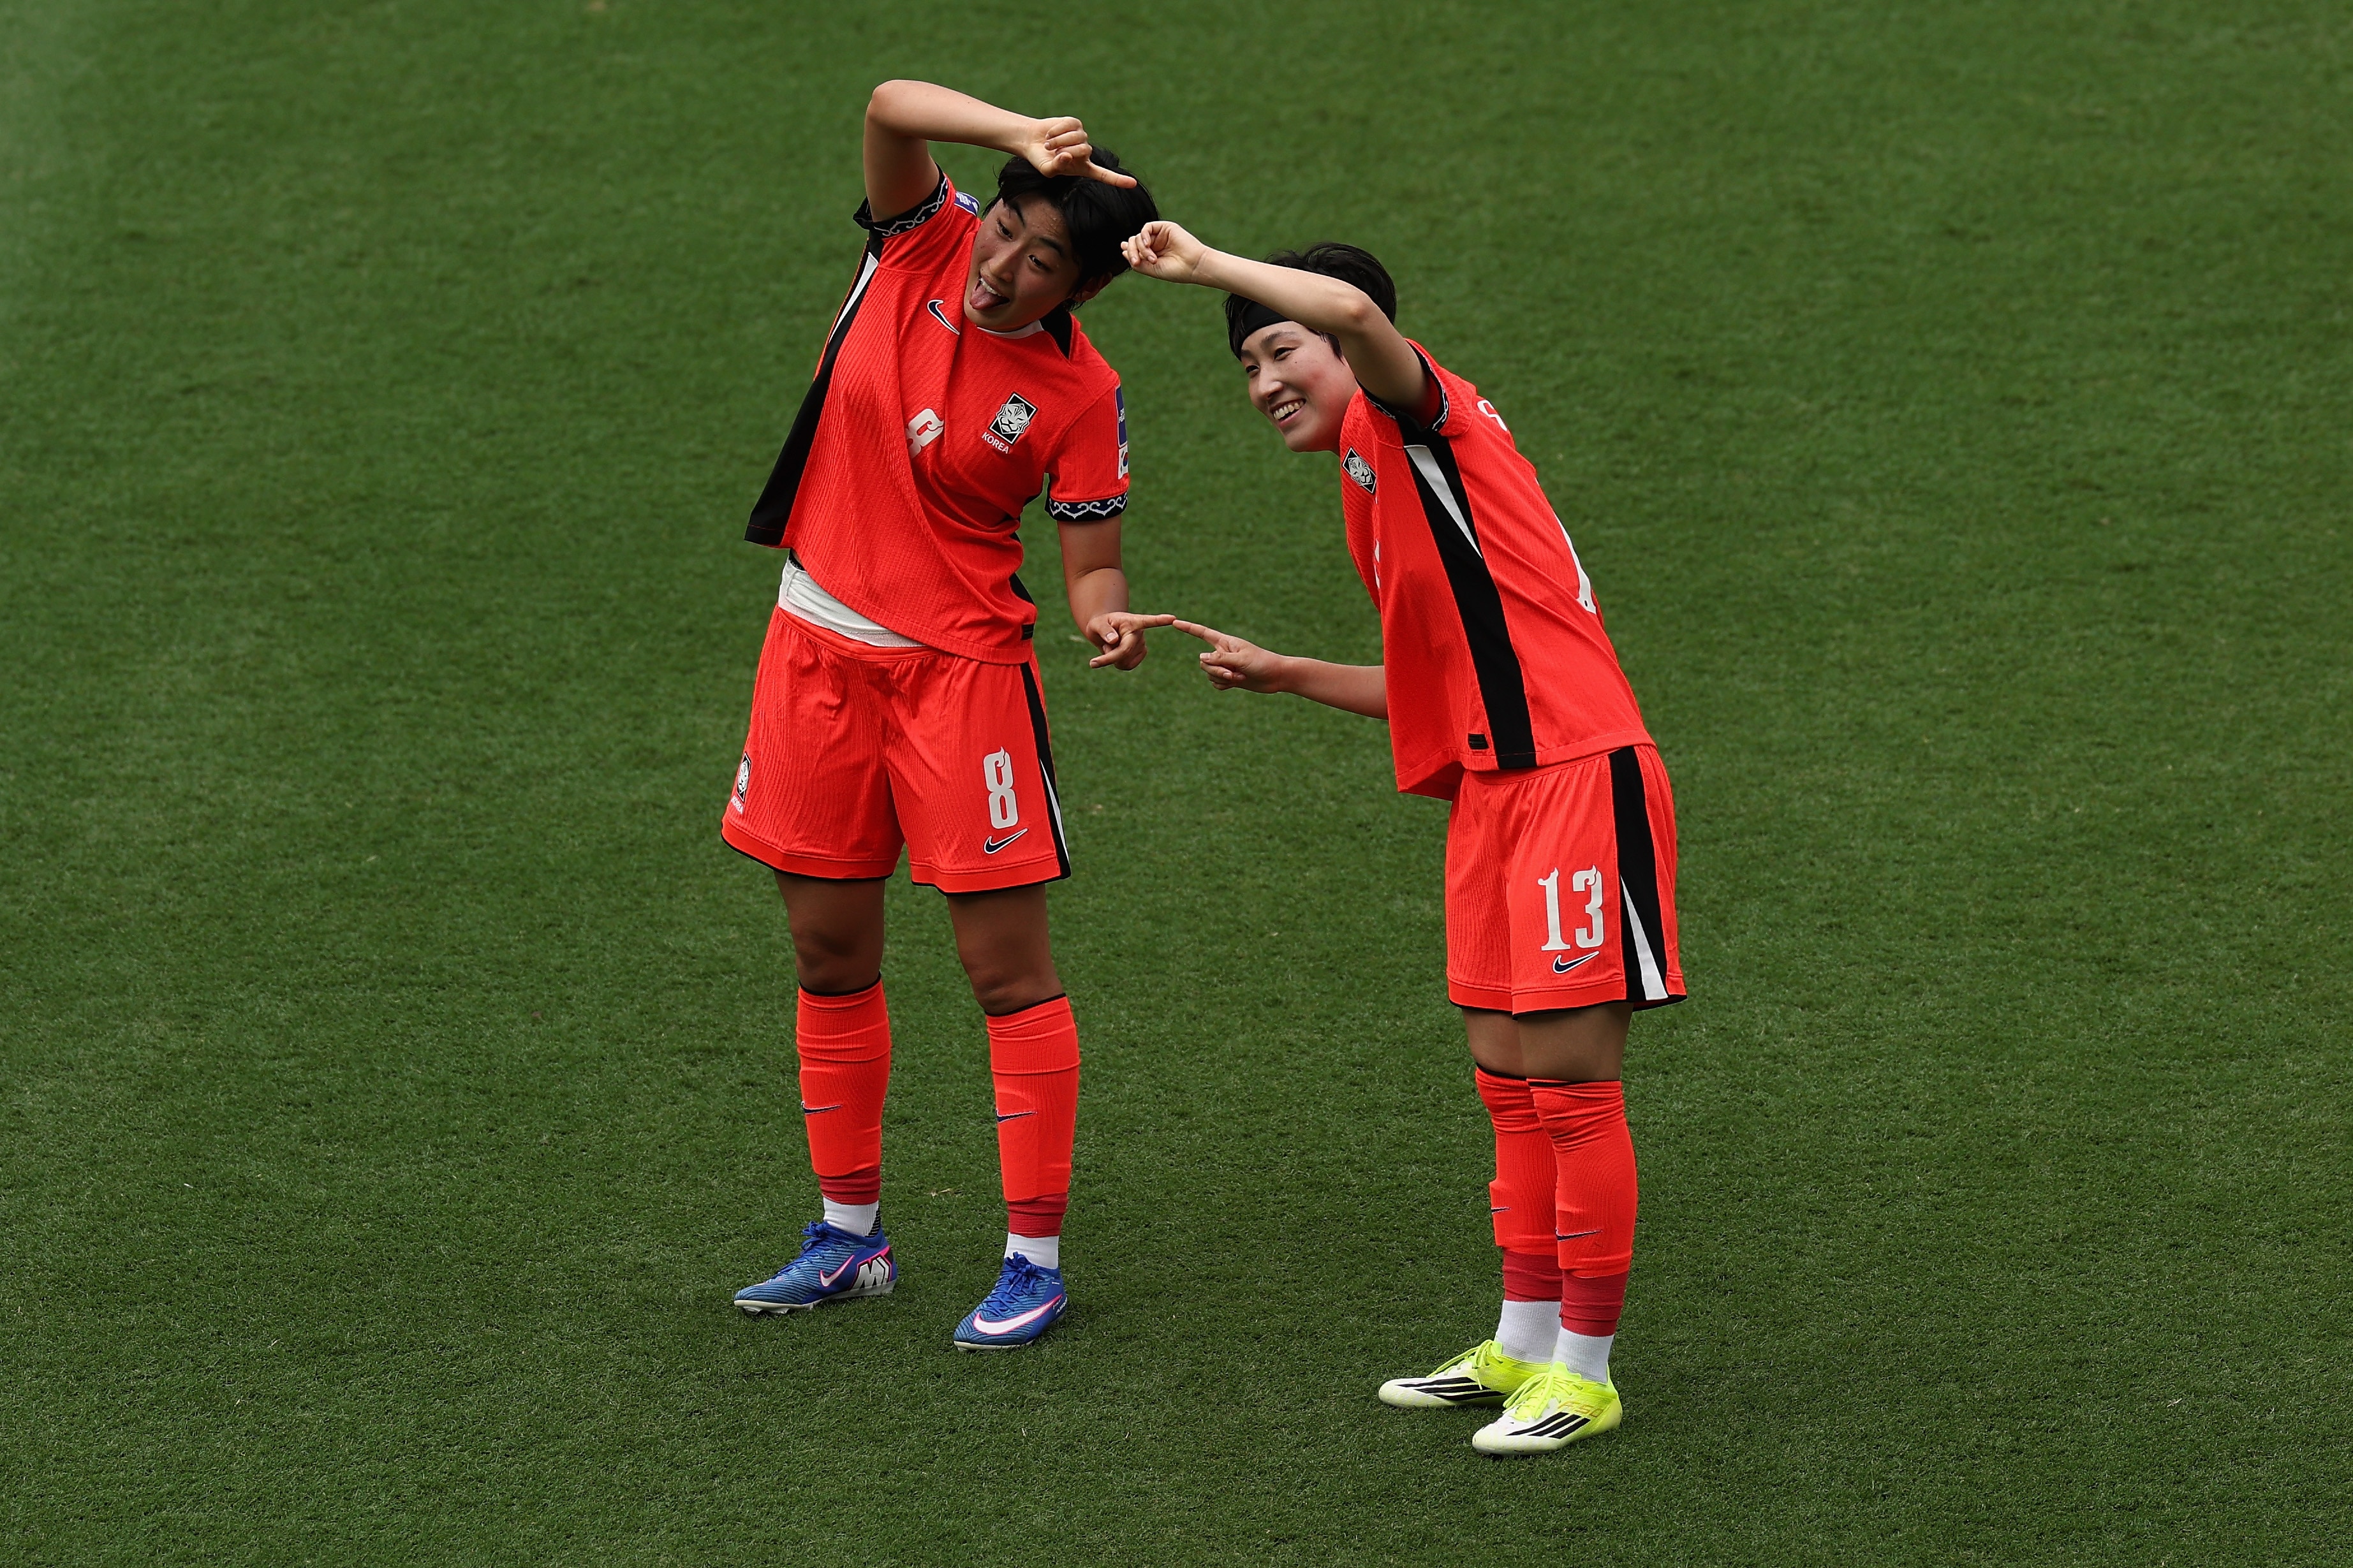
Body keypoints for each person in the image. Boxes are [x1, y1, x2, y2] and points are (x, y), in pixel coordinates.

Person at [1119, 223, 1685, 1452]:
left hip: (1576, 773)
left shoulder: (1423, 420)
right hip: (1493, 792)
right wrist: (1286, 673)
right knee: (1508, 1081)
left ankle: (1584, 1375)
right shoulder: (1369, 481)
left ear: (1341, 339)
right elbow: (1441, 684)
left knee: (1572, 1082)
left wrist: (1206, 266)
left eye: (1281, 351)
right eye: (1246, 367)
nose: (1264, 383)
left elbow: (1361, 316)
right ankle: (1521, 1343)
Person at [722, 80, 1164, 1352]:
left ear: (1083, 291)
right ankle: (848, 1236)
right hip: (814, 649)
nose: (1004, 269)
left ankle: (1034, 1260)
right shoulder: (920, 237)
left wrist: (1105, 619)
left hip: (962, 680)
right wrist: (1019, 135)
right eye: (1008, 230)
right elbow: (888, 105)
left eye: (1043, 264)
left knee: (1003, 970)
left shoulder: (1081, 392)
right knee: (827, 951)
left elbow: (1090, 558)